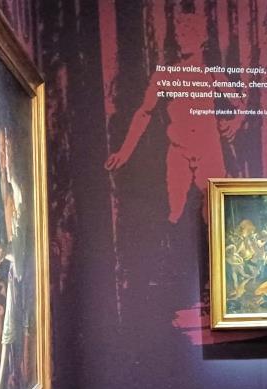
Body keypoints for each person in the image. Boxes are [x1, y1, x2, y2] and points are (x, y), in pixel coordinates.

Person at [104, 0, 245, 224]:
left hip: (209, 152)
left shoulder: (212, 74)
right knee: (175, 214)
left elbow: (241, 105)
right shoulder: (164, 76)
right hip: (178, 153)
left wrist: (235, 123)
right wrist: (124, 152)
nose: (183, 37)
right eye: (180, 33)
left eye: (190, 32)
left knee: (215, 214)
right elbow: (144, 113)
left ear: (202, 39)